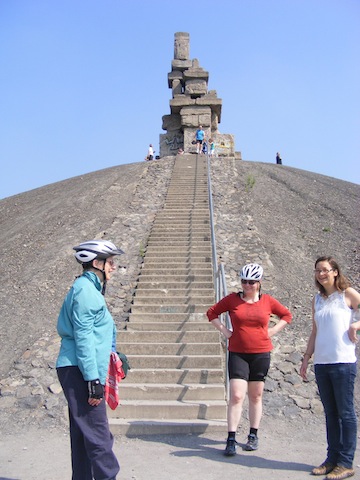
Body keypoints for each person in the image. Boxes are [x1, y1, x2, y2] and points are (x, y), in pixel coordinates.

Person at [206, 263, 292, 456]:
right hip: (238, 352)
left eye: (252, 282)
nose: (247, 285)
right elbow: (212, 313)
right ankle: (231, 438)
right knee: (236, 395)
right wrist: (225, 331)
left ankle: (253, 434)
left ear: (259, 282)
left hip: (261, 353)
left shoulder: (268, 301)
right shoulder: (232, 300)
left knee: (255, 395)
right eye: (244, 281)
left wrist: (271, 331)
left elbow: (286, 315)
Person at [56, 239, 125, 480]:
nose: (113, 267)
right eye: (110, 262)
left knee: (84, 434)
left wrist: (114, 353)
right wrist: (92, 379)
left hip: (78, 368)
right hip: (81, 370)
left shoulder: (88, 289)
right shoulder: (86, 291)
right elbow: (83, 336)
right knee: (98, 435)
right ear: (97, 263)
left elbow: (94, 334)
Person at [300, 256, 360, 480]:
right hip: (322, 363)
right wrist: (307, 357)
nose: (321, 274)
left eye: (325, 270)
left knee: (346, 413)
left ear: (335, 271)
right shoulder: (317, 300)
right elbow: (315, 332)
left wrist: (356, 324)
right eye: (317, 270)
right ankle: (332, 459)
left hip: (343, 362)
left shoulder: (348, 294)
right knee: (331, 414)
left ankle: (346, 462)